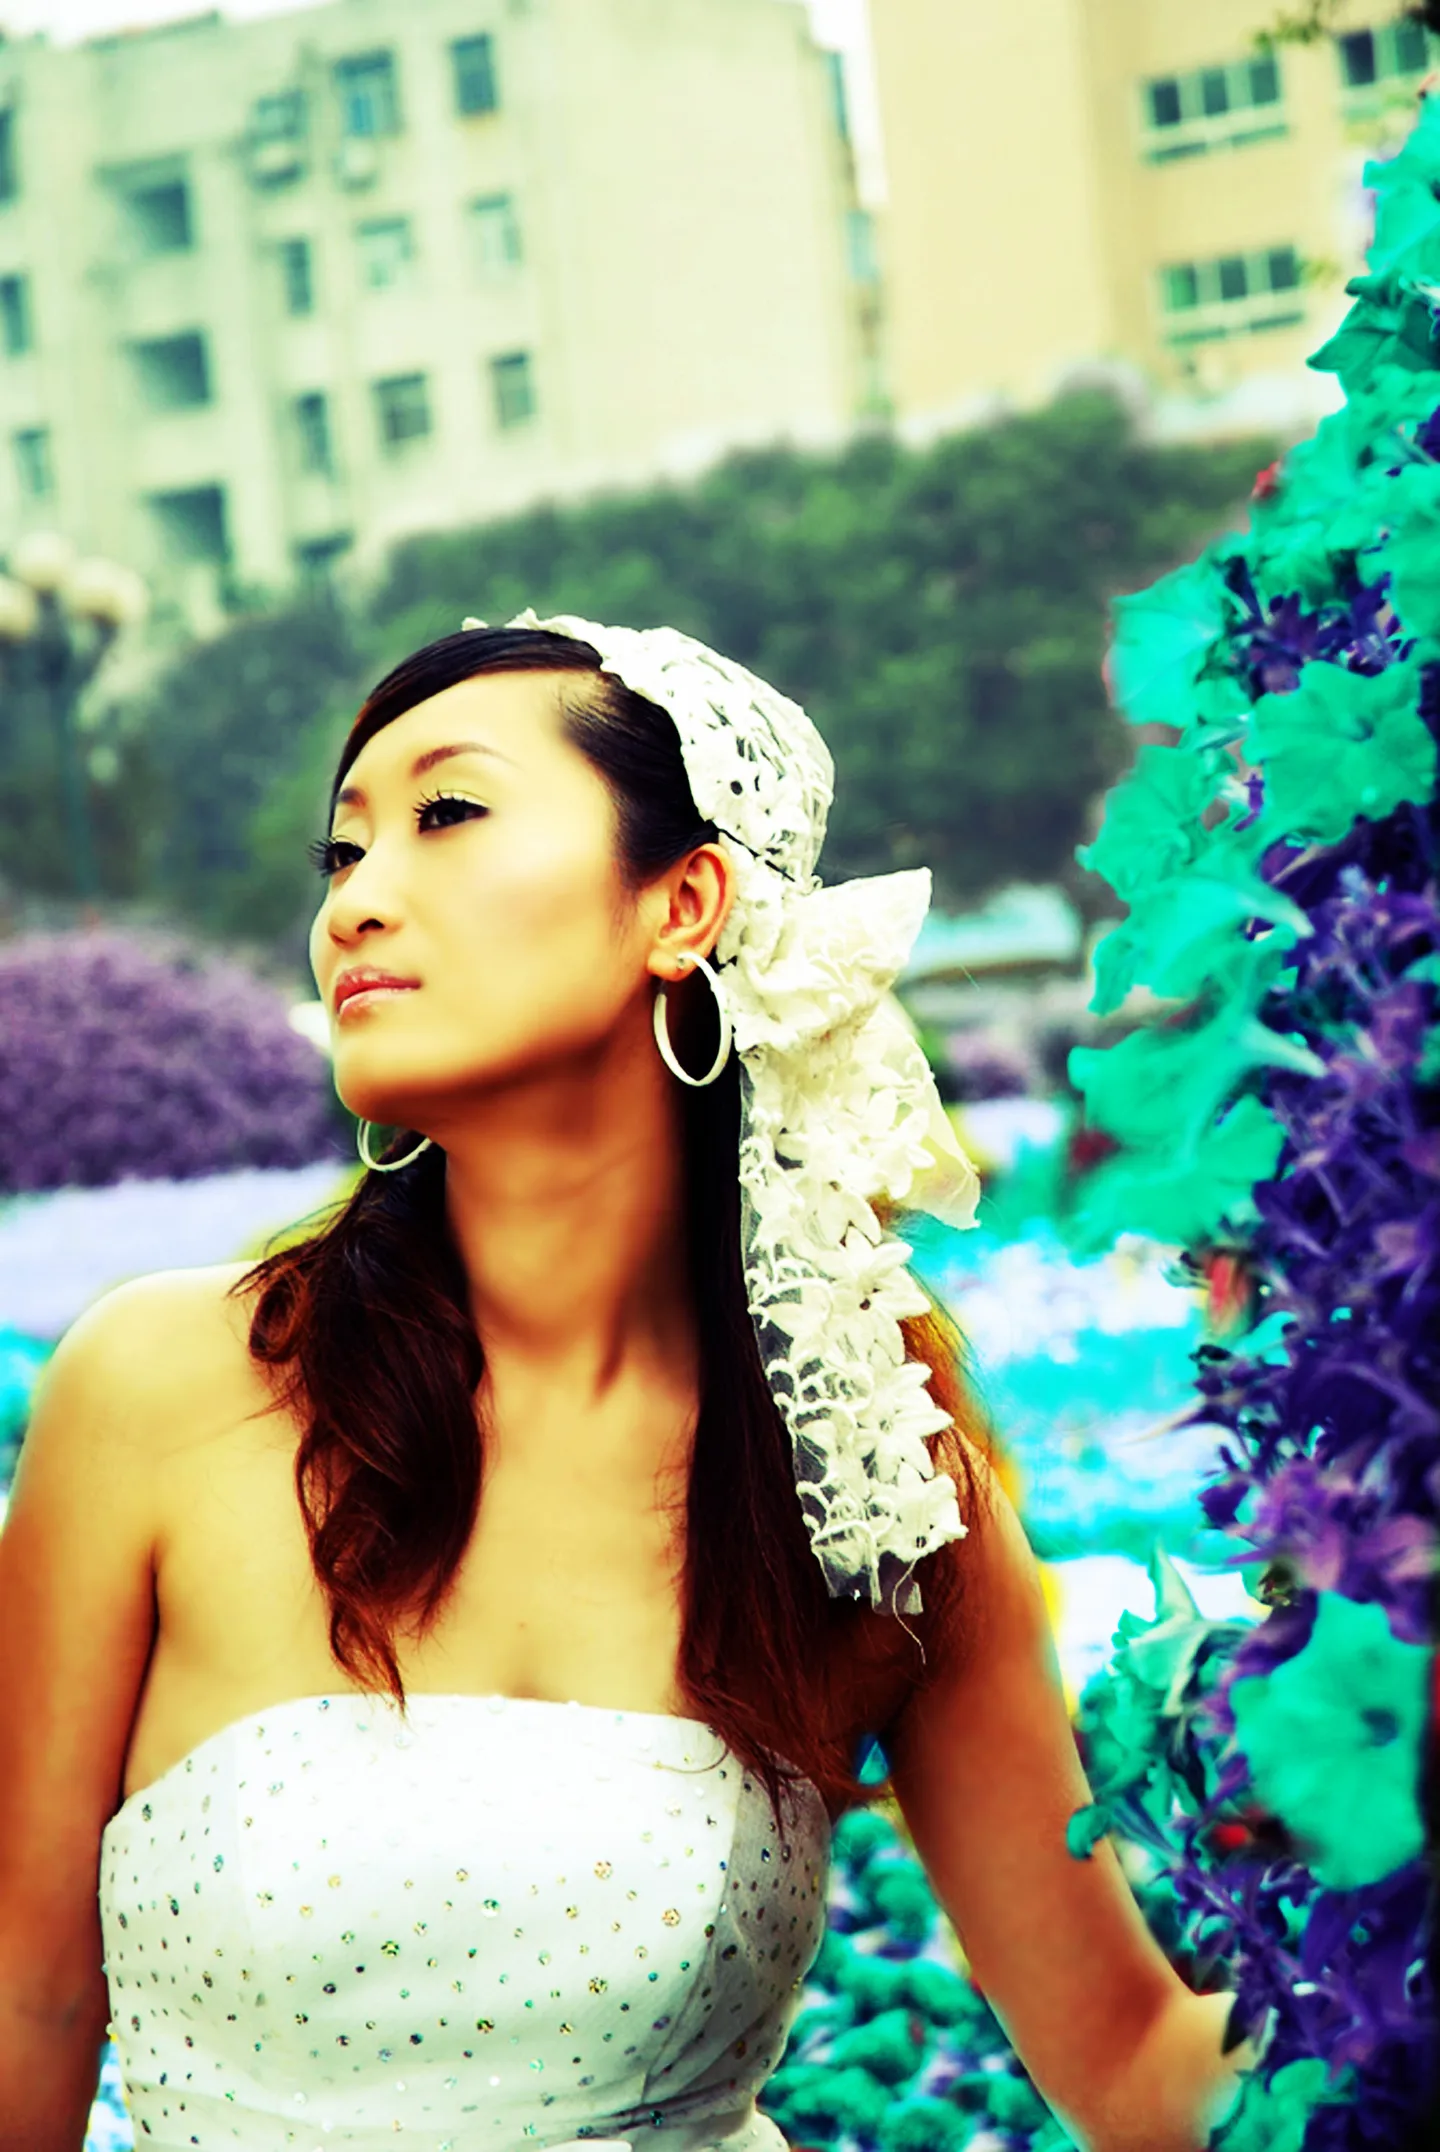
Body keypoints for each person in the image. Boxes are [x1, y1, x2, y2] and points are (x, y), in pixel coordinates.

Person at [0, 616, 1257, 2152]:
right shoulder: (163, 1389)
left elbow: (1132, 2065)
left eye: (446, 813)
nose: (353, 902)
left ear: (684, 902)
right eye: (344, 850)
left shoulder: (867, 1487)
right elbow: (25, 2003)